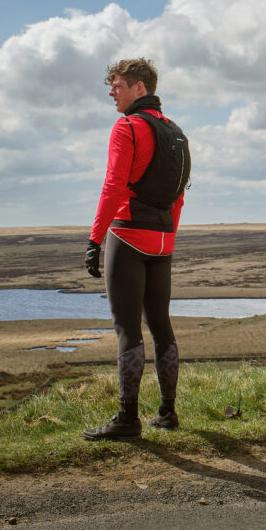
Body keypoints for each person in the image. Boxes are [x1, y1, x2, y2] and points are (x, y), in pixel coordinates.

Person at [82, 57, 189, 441]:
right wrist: (168, 238)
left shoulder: (127, 126)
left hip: (127, 235)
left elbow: (113, 185)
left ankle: (128, 420)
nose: (112, 92)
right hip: (162, 240)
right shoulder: (175, 132)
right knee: (161, 325)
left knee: (128, 329)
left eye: (118, 85)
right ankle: (167, 412)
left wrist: (96, 240)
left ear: (139, 88)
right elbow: (177, 197)